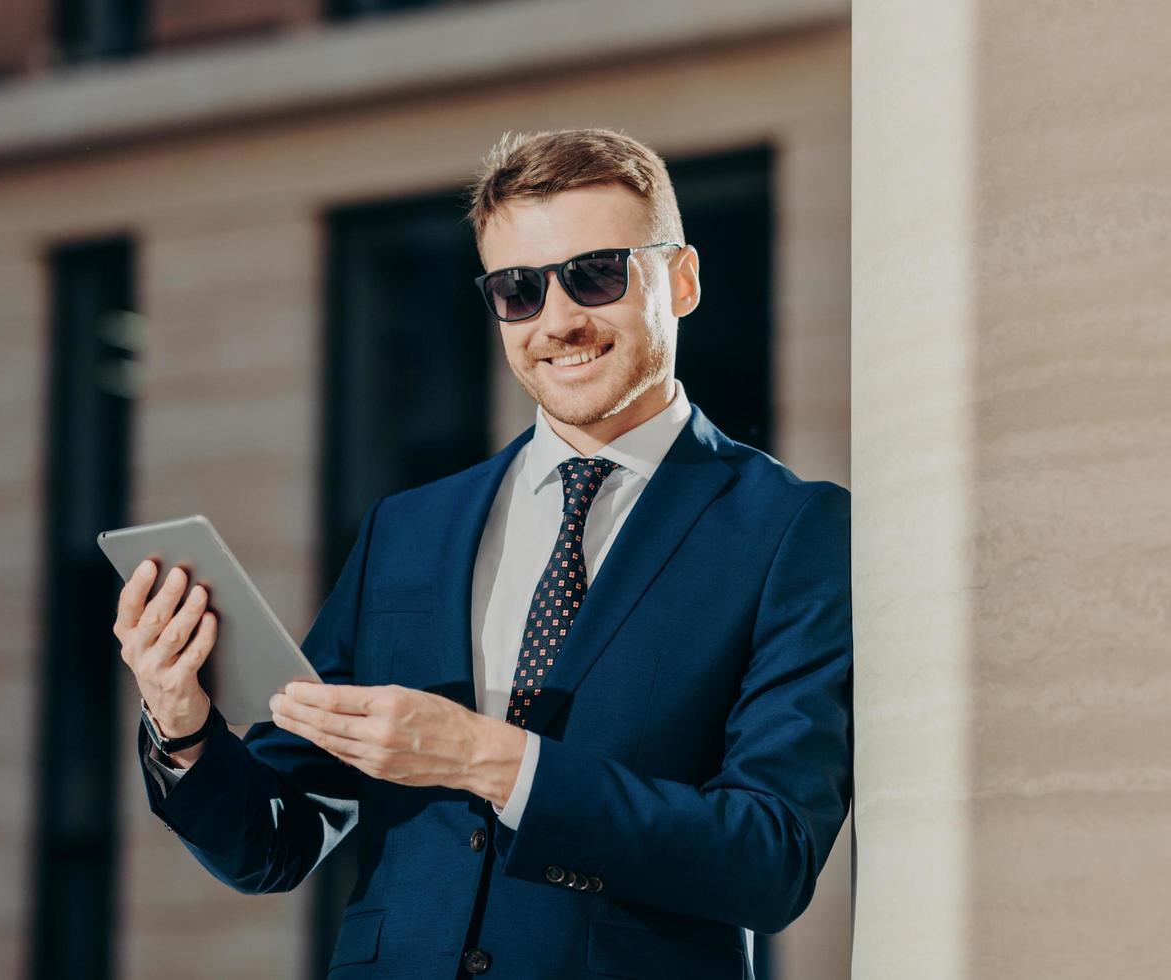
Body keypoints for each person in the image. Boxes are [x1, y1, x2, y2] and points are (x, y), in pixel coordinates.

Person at [114, 128, 853, 980]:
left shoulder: (791, 530)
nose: (560, 319)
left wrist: (488, 760)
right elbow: (275, 842)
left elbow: (771, 858)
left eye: (597, 274)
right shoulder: (409, 529)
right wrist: (183, 725)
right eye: (520, 290)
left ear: (679, 280)